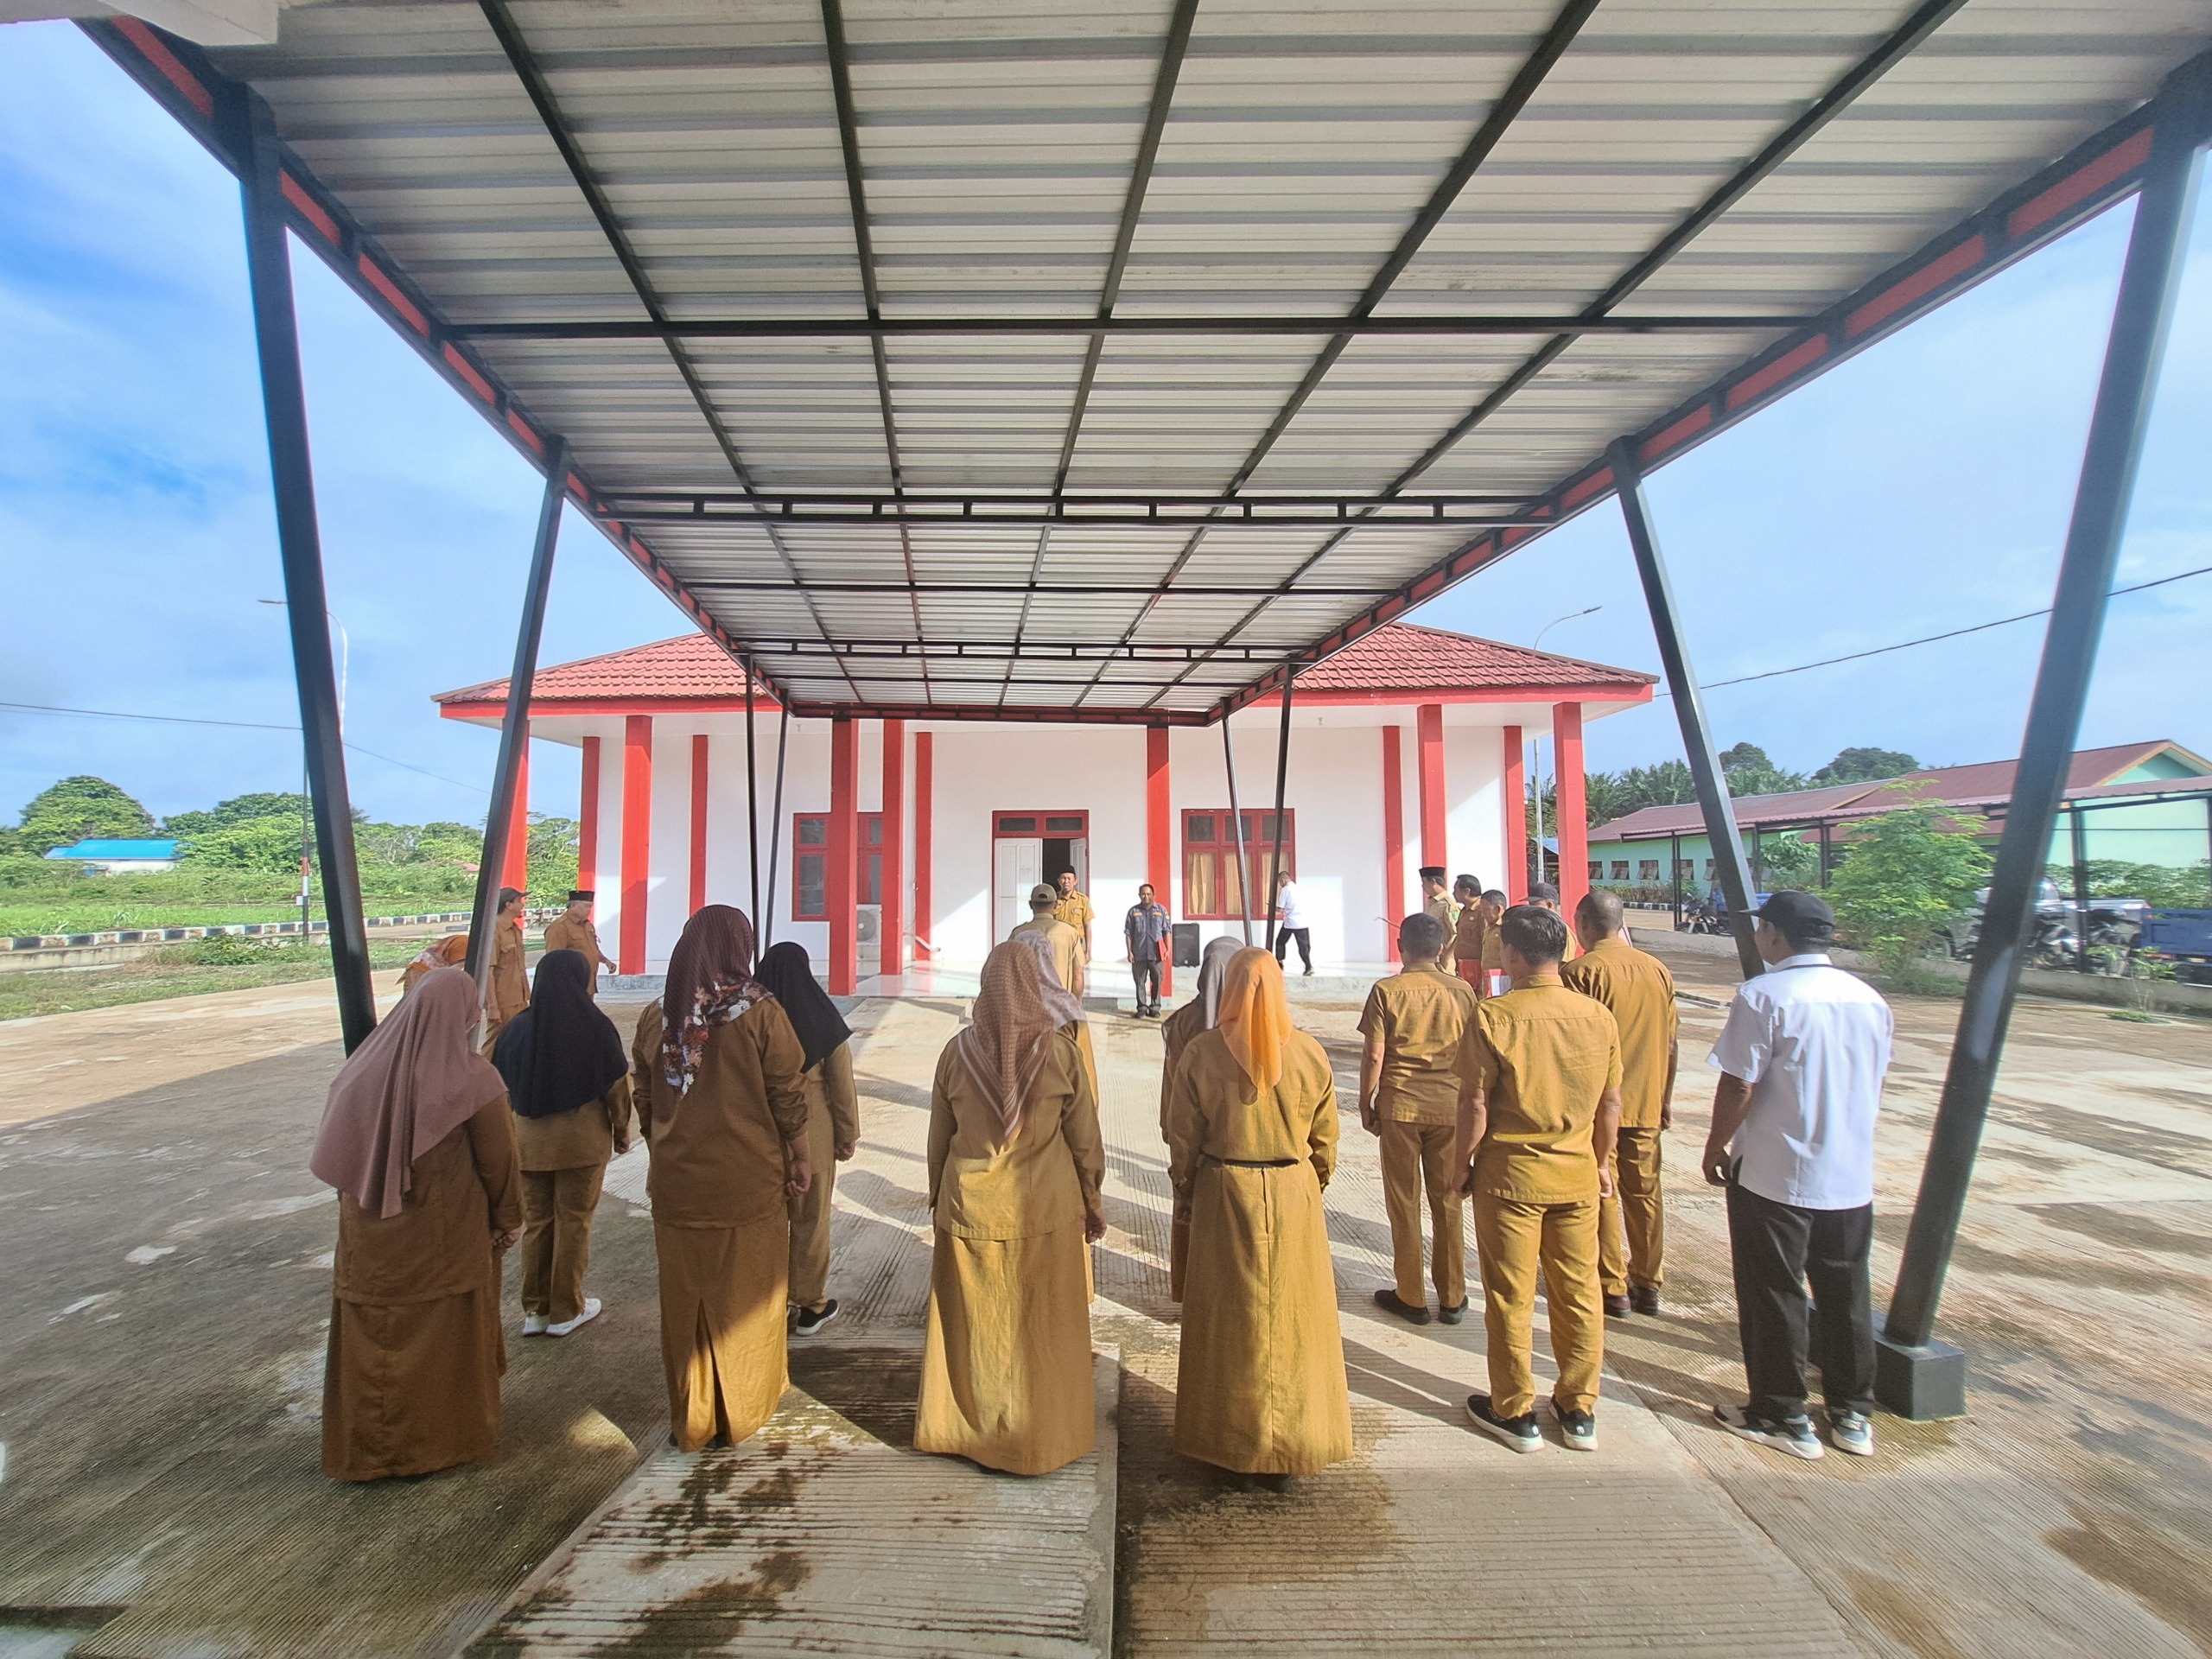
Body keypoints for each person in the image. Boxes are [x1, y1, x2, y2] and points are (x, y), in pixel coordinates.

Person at [310, 966, 521, 1481]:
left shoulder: (361, 1070)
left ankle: (368, 1452)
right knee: (439, 1345)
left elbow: (337, 1155)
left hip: (368, 1243)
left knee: (374, 1343)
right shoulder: (472, 1079)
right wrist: (508, 1219)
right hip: (441, 1242)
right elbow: (498, 1163)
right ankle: (433, 1447)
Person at [1706, 891, 1893, 1461]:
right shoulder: (1869, 1000)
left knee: (1775, 1292)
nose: (1758, 936)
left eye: (1761, 928)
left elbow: (1740, 1082)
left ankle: (1782, 1412)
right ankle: (1852, 1412)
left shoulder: (1764, 996)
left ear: (1776, 936)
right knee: (1846, 1293)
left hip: (1775, 1175)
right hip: (1849, 1174)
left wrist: (1715, 1144)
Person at [915, 940, 1105, 1476]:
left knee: (977, 1330)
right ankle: (1042, 1437)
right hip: (1044, 1209)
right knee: (1042, 1330)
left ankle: (971, 1431)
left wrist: (938, 1196)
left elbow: (939, 1137)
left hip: (971, 1209)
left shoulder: (956, 1053)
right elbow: (1085, 1141)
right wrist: (1092, 1199)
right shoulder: (1059, 1053)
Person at [630, 906, 812, 1452]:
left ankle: (694, 1414)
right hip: (747, 1178)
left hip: (678, 1184)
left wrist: (664, 1149)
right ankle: (745, 1406)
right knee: (747, 1294)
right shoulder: (759, 1012)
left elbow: (643, 1095)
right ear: (740, 947)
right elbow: (788, 1094)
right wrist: (800, 1156)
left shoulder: (659, 1016)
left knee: (684, 1298)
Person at [1167, 948, 1351, 1490]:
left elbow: (1183, 1138)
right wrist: (1309, 1184)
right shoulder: (1309, 1053)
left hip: (1225, 1190)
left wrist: (1186, 1190)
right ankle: (1292, 1444)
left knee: (1230, 1323)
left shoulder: (1202, 1053)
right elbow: (1326, 1142)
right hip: (1293, 1194)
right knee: (1292, 1324)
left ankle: (1229, 1445)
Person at [1457, 905, 1621, 1455]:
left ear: (1513, 955)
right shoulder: (1597, 1017)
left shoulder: (1493, 1016)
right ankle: (1579, 1409)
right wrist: (1602, 1161)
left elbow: (1475, 1104)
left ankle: (1514, 1410)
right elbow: (1611, 1103)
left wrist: (1461, 1165)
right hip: (1576, 1176)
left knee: (1510, 1296)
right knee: (1579, 1293)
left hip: (1510, 1178)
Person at [494, 948, 632, 1338]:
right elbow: (617, 1087)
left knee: (537, 1223)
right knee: (574, 1222)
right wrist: (622, 1133)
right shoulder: (594, 1026)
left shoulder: (516, 1029)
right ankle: (567, 1309)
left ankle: (535, 1311)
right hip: (580, 1144)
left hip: (527, 1145)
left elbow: (497, 1085)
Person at [1562, 889, 1678, 1319]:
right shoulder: (1657, 970)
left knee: (1603, 1185)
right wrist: (1665, 1097)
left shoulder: (1580, 973)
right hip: (1646, 1099)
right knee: (1645, 1192)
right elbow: (1671, 1042)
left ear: (1583, 925)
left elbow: (1572, 1047)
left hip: (1597, 1104)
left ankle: (1612, 1285)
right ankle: (1647, 1281)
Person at [1360, 911, 1475, 1327]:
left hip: (1401, 1107)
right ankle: (1453, 1296)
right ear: (1442, 949)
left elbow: (1375, 1054)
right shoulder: (1463, 991)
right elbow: (1474, 1053)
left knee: (1404, 1202)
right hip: (1450, 1107)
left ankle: (1411, 1295)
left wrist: (1366, 1102)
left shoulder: (1386, 991)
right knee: (1448, 1201)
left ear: (1400, 947)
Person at [756, 941, 859, 1338]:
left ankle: (770, 1301)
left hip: (763, 1135)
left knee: (768, 1221)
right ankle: (811, 1304)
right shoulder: (823, 1017)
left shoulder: (754, 1018)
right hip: (814, 1132)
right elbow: (841, 1084)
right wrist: (847, 1134)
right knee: (811, 1220)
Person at [1157, 935, 1243, 1300]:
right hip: (1238, 1141)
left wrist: (1172, 1131)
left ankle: (1189, 1290)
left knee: (1190, 1211)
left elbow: (1173, 1085)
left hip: (1192, 1138)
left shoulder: (1183, 1022)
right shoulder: (1255, 1019)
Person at [543, 889, 617, 995]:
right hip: (571, 984)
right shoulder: (559, 927)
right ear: (573, 906)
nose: (589, 910)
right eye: (586, 906)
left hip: (588, 983)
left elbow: (592, 948)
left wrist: (606, 961)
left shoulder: (587, 925)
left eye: (590, 907)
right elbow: (553, 958)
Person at [482, 887, 531, 1054]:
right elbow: (488, 972)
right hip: (503, 1000)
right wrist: (493, 1006)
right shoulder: (494, 930)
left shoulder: (514, 930)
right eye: (519, 901)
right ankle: (485, 1071)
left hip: (519, 998)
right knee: (495, 1043)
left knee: (516, 1042)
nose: (522, 905)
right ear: (508, 905)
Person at [1125, 882, 1172, 1018]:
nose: (1146, 897)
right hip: (1139, 953)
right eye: (1143, 894)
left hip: (1157, 953)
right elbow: (1128, 933)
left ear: (1153, 895)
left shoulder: (1161, 911)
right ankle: (1141, 1007)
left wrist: (1168, 949)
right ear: (1139, 895)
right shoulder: (1133, 912)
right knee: (1139, 981)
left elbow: (1167, 931)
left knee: (1157, 980)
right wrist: (1129, 952)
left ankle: (1155, 1007)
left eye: (1148, 894)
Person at [1052, 868, 1095, 995]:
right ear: (1059, 881)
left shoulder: (1083, 900)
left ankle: (1077, 1003)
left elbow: (1087, 926)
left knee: (1078, 974)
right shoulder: (1054, 900)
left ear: (1075, 881)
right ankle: (1061, 1002)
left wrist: (1088, 951)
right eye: (1063, 878)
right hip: (1058, 944)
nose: (1066, 881)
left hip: (1077, 944)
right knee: (1058, 974)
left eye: (1069, 879)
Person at [399, 931, 470, 997]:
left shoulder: (464, 941)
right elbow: (456, 971)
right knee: (419, 1000)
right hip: (422, 970)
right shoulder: (464, 943)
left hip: (424, 969)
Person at [1271, 869, 1313, 976]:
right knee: (1304, 946)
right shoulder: (1298, 888)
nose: (1280, 884)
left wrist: (1272, 907)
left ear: (1283, 880)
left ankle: (1279, 965)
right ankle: (1308, 966)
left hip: (1290, 922)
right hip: (1303, 922)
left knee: (1280, 942)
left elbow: (1280, 909)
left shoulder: (1285, 890)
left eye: (1280, 882)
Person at [1525, 880, 1581, 960]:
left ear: (1549, 905)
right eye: (1530, 904)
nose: (1531, 909)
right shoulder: (1538, 929)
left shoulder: (1563, 932)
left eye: (1535, 905)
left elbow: (1564, 964)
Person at [1451, 875, 1486, 992]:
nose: (1453, 893)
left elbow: (1486, 942)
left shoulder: (1482, 911)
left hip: (1476, 968)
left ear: (1467, 891)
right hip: (1462, 967)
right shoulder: (1464, 911)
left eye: (1456, 889)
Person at [1420, 867, 1458, 972]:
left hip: (1443, 959)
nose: (1422, 886)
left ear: (1433, 882)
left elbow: (1456, 933)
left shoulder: (1448, 904)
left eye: (1424, 882)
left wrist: (1447, 955)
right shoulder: (1429, 903)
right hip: (1430, 958)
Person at [1476, 889, 1509, 998]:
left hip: (1502, 982)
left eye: (1486, 910)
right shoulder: (1488, 928)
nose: (1482, 914)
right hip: (1487, 980)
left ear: (1498, 909)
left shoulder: (1507, 928)